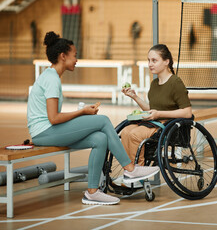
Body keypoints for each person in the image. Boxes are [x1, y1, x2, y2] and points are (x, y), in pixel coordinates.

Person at [27, 31, 160, 205]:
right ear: (62, 56)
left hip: (48, 130)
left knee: (100, 138)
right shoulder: (52, 79)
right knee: (103, 120)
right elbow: (54, 118)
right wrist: (82, 112)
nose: (76, 59)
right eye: (74, 55)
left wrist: (81, 113)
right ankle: (130, 169)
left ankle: (92, 192)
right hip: (44, 132)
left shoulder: (51, 76)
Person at [120, 44, 192, 181]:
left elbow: (187, 112)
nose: (150, 64)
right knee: (125, 132)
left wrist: (159, 114)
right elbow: (151, 109)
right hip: (154, 122)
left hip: (168, 125)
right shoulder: (154, 84)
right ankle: (130, 170)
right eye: (148, 60)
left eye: (154, 60)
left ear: (166, 62)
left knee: (135, 135)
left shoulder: (175, 82)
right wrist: (134, 96)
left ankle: (137, 173)